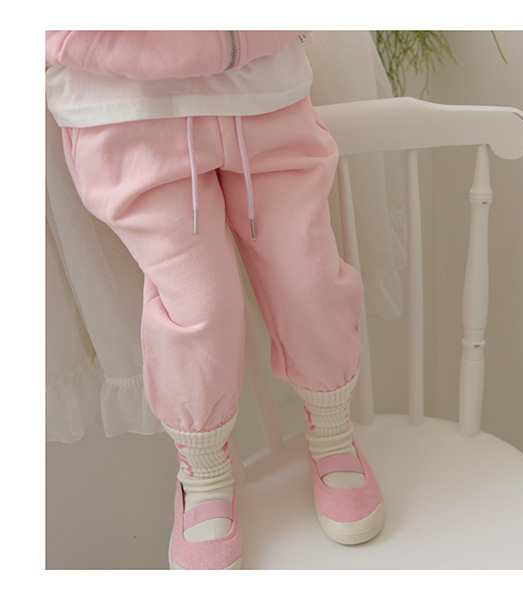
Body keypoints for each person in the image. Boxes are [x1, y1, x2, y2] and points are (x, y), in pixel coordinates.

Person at [45, 30, 384, 569]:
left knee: (307, 277)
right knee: (200, 305)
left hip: (261, 88)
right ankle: (203, 473)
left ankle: (331, 428)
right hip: (127, 106)